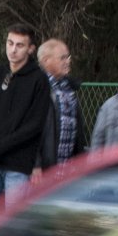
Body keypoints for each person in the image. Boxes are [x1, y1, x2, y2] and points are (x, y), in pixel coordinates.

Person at [0, 24, 50, 219]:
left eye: (20, 45)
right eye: (10, 43)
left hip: (18, 165)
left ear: (31, 49)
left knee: (13, 224)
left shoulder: (39, 81)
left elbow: (33, 127)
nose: (13, 50)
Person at [34, 38, 86, 178]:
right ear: (46, 61)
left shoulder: (69, 89)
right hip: (43, 172)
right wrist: (35, 164)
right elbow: (29, 132)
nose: (68, 61)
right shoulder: (36, 88)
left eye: (68, 57)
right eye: (62, 58)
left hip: (67, 171)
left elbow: (77, 132)